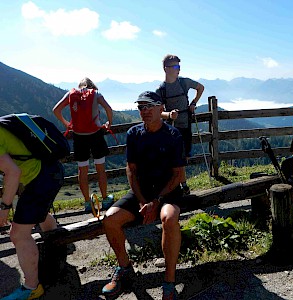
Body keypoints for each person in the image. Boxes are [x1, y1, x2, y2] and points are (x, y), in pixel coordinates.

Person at [101, 91, 185, 299]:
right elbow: (131, 170)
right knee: (109, 219)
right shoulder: (134, 134)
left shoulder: (173, 136)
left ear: (160, 108)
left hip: (168, 192)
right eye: (141, 107)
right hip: (142, 192)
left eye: (149, 106)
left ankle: (169, 281)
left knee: (169, 218)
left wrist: (156, 202)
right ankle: (124, 268)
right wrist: (141, 200)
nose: (144, 111)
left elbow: (178, 175)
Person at [0, 124, 64, 299]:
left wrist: (4, 208)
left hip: (42, 177)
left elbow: (13, 172)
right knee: (36, 214)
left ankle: (32, 287)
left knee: (18, 234)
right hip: (50, 170)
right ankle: (57, 248)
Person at [53, 77, 114, 212]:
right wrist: (109, 123)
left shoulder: (71, 94)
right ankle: (105, 199)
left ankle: (87, 202)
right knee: (100, 169)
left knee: (82, 170)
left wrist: (67, 124)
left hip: (79, 136)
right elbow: (109, 109)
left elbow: (56, 110)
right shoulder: (95, 94)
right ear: (92, 85)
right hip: (96, 135)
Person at [156, 54, 204, 195]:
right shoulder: (160, 90)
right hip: (171, 129)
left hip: (185, 125)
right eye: (176, 66)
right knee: (177, 158)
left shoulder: (184, 82)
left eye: (179, 66)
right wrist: (169, 115)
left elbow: (201, 87)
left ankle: (179, 185)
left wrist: (194, 103)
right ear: (166, 69)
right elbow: (158, 112)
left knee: (184, 157)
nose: (179, 69)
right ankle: (182, 186)